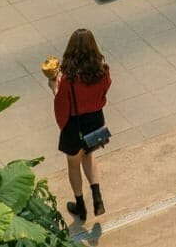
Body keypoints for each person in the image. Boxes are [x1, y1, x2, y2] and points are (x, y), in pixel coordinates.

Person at [51, 28, 112, 221]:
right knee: (89, 155)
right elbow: (104, 91)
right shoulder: (102, 71)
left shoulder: (68, 79)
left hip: (75, 126)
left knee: (74, 164)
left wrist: (55, 87)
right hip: (95, 122)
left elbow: (62, 107)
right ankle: (97, 197)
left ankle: (81, 206)